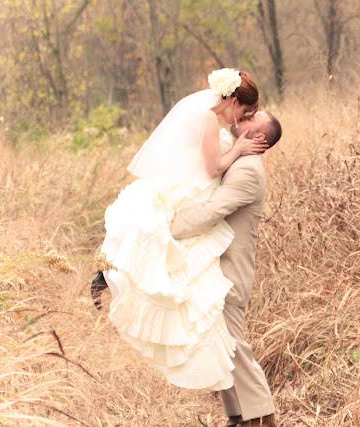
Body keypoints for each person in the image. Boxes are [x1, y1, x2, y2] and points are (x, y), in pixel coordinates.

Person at [93, 69, 268, 391]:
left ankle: (115, 273)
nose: (239, 119)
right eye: (243, 112)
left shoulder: (207, 117)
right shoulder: (208, 119)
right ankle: (116, 275)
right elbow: (214, 167)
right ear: (232, 100)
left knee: (184, 270)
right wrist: (238, 150)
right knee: (176, 261)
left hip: (194, 186)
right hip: (197, 187)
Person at [170, 110, 282, 426]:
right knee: (223, 344)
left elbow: (213, 211)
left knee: (233, 346)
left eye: (249, 120)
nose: (240, 119)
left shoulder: (248, 170)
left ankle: (263, 418)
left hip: (231, 272)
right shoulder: (238, 159)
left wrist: (169, 228)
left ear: (259, 137)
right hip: (218, 269)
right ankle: (240, 417)